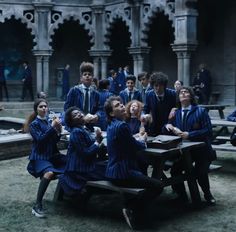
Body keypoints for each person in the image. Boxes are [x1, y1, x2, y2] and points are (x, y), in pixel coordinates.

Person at [104, 96, 163, 229]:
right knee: (157, 185)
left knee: (142, 174)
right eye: (118, 105)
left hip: (113, 171)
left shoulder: (112, 124)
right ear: (112, 113)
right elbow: (134, 146)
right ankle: (133, 210)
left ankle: (134, 208)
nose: (122, 106)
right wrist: (143, 141)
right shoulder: (122, 125)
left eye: (121, 104)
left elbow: (126, 143)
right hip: (122, 173)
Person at [163, 86, 216, 205]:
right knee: (175, 171)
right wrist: (168, 124)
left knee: (200, 172)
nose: (182, 93)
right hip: (185, 152)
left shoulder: (200, 111)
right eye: (180, 92)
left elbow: (208, 131)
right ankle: (182, 196)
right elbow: (166, 130)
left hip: (202, 151)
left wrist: (189, 134)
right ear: (178, 97)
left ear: (191, 96)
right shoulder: (175, 112)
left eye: (185, 92)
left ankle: (207, 194)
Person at [26, 98, 66, 218]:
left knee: (73, 161)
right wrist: (52, 128)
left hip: (52, 155)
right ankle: (37, 205)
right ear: (36, 110)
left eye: (45, 106)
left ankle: (72, 193)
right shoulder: (34, 124)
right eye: (41, 107)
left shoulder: (48, 123)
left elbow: (53, 141)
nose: (44, 108)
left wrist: (58, 132)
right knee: (49, 173)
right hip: (40, 157)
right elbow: (40, 140)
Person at [59, 106, 106, 198]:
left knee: (107, 166)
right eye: (75, 115)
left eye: (79, 112)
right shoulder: (76, 132)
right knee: (109, 171)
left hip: (84, 165)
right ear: (71, 121)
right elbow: (86, 153)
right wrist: (97, 141)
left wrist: (98, 140)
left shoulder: (82, 129)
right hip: (79, 169)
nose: (79, 114)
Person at [64, 62, 100, 131]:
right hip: (76, 125)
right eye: (85, 74)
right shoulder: (74, 91)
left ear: (92, 78)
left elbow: (99, 109)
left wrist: (97, 116)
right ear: (81, 78)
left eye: (89, 74)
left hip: (90, 125)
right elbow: (67, 108)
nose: (87, 76)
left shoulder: (96, 94)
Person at [144, 72, 176, 136]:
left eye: (161, 85)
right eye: (156, 85)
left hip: (169, 126)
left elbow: (178, 107)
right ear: (152, 85)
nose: (158, 88)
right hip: (154, 126)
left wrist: (175, 109)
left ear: (164, 85)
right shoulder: (148, 94)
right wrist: (144, 115)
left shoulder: (172, 94)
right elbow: (146, 109)